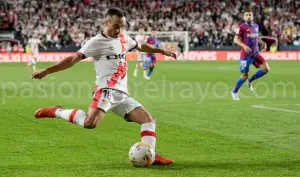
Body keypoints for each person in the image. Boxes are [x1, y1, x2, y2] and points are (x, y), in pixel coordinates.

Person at [31, 8, 176, 165]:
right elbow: (72, 59)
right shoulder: (96, 42)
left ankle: (151, 154)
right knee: (89, 123)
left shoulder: (124, 38)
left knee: (148, 120)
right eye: (116, 26)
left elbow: (141, 46)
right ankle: (57, 111)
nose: (119, 29)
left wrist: (163, 51)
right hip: (105, 91)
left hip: (122, 95)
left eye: (122, 26)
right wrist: (47, 71)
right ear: (106, 23)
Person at [231, 11, 269, 100]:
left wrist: (262, 42)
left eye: (250, 15)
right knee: (244, 76)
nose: (248, 16)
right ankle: (234, 91)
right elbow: (235, 40)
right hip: (246, 55)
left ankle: (250, 80)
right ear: (244, 18)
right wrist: (244, 46)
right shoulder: (241, 27)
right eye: (246, 15)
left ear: (252, 17)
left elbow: (256, 37)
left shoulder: (256, 26)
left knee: (266, 69)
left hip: (255, 53)